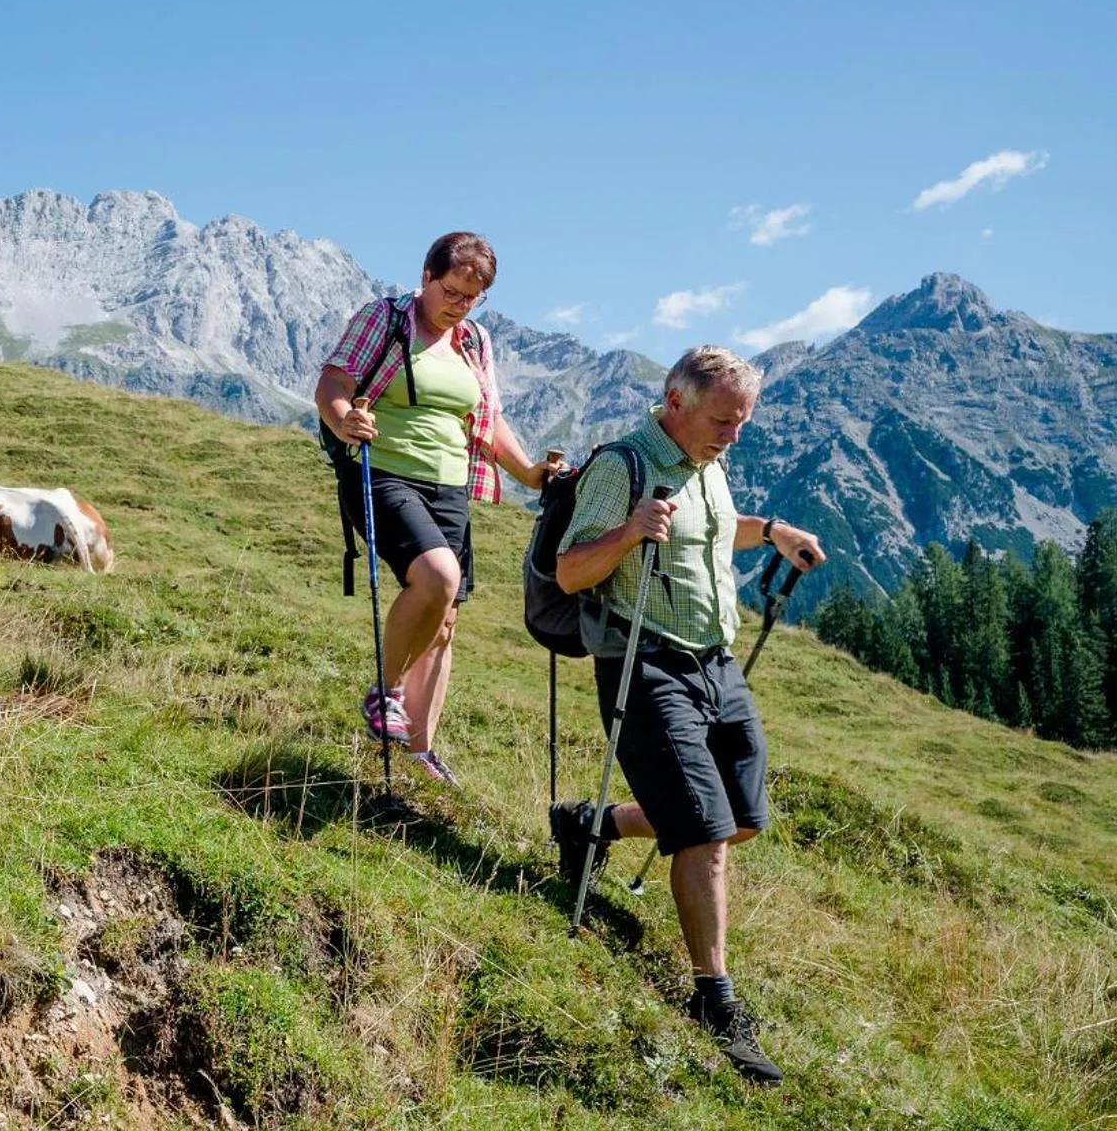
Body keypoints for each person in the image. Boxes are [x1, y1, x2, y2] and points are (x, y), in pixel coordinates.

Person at [547, 345, 825, 1084]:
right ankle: (714, 997)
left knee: (740, 814)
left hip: (716, 661)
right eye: (722, 419)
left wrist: (773, 532)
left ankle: (591, 824)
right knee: (704, 835)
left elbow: (714, 524)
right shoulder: (624, 467)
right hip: (646, 661)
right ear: (676, 400)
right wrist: (630, 531)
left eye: (741, 422)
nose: (732, 433)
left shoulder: (707, 461)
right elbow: (570, 569)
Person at [315, 232, 564, 786]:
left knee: (445, 621)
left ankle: (421, 753)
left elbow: (488, 417)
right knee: (436, 577)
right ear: (426, 277)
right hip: (382, 470)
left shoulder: (474, 341)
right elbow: (334, 380)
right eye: (451, 291)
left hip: (450, 485)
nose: (459, 304)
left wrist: (526, 472)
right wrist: (342, 418)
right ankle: (386, 690)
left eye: (473, 297)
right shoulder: (385, 319)